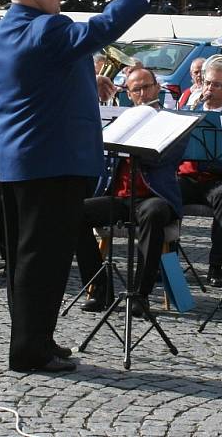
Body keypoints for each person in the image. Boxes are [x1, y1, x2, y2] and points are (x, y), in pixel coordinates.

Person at [0, 0, 164, 373]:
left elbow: (40, 80)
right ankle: (30, 352)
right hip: (51, 161)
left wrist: (85, 80)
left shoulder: (4, 32)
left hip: (21, 159)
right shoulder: (47, 28)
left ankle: (36, 338)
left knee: (29, 260)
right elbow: (103, 26)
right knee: (43, 262)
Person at [76, 67, 186, 316]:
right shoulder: (121, 119)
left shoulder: (174, 121)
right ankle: (101, 288)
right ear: (129, 93)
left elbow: (167, 158)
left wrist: (136, 144)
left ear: (157, 87)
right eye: (137, 89)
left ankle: (140, 295)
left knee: (153, 213)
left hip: (156, 197)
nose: (144, 93)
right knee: (75, 213)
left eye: (147, 86)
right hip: (122, 198)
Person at [178, 60, 222, 286]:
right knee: (163, 193)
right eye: (207, 83)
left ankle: (216, 266)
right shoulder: (188, 113)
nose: (209, 89)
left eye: (217, 85)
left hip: (217, 181)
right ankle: (166, 263)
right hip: (187, 178)